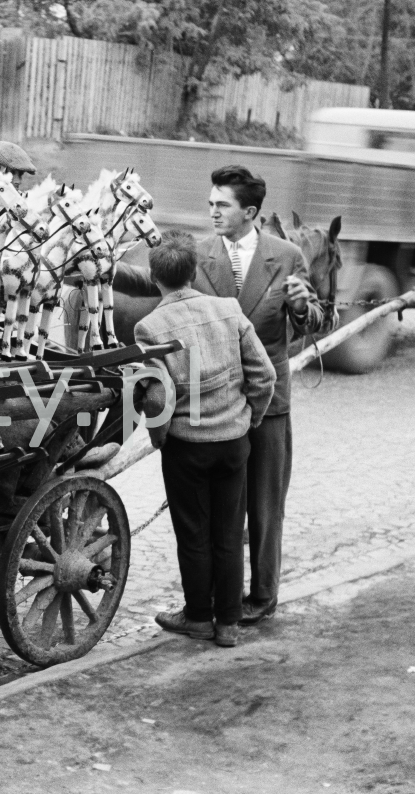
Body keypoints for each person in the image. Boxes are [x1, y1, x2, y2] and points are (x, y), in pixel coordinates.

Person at [114, 165, 328, 625]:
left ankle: (262, 596)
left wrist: (301, 308)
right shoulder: (198, 251)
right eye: (210, 203)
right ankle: (208, 606)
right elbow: (151, 282)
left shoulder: (287, 256)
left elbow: (317, 320)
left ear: (249, 211)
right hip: (214, 408)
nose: (212, 211)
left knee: (265, 505)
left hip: (267, 404)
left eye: (222, 205)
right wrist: (100, 270)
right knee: (211, 515)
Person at [135, 231, 276, 647]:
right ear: (194, 272)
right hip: (234, 443)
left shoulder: (150, 326)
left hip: (187, 448)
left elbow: (159, 396)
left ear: (154, 278)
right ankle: (228, 623)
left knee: (193, 533)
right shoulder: (229, 310)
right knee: (230, 530)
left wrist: (161, 439)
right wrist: (249, 419)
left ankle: (198, 616)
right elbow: (264, 376)